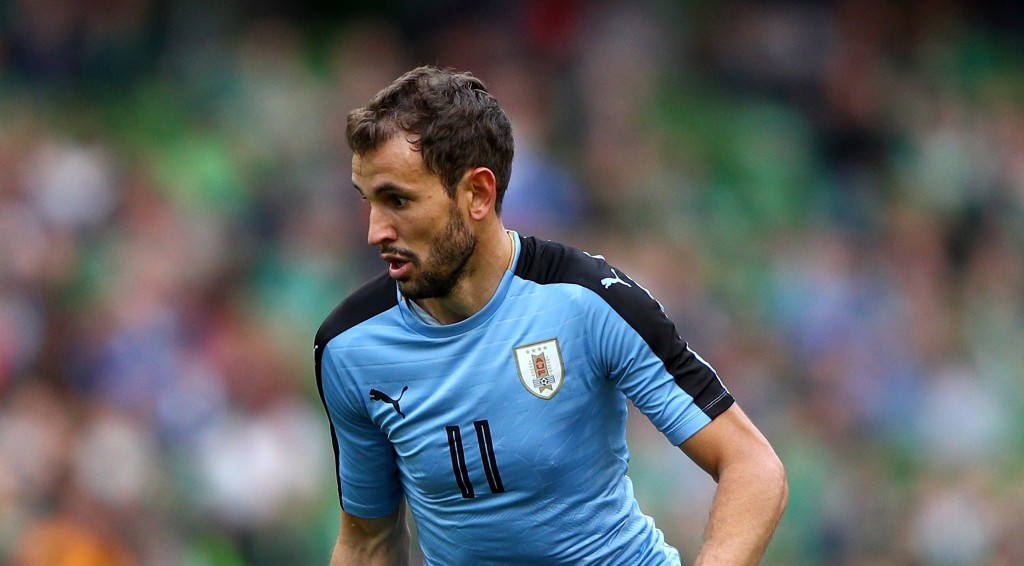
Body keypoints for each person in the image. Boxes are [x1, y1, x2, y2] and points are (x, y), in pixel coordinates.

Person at [314, 65, 787, 565]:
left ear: (477, 193)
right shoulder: (350, 348)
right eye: (369, 202)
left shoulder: (587, 301)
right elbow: (368, 541)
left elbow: (751, 464)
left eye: (398, 201)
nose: (375, 232)